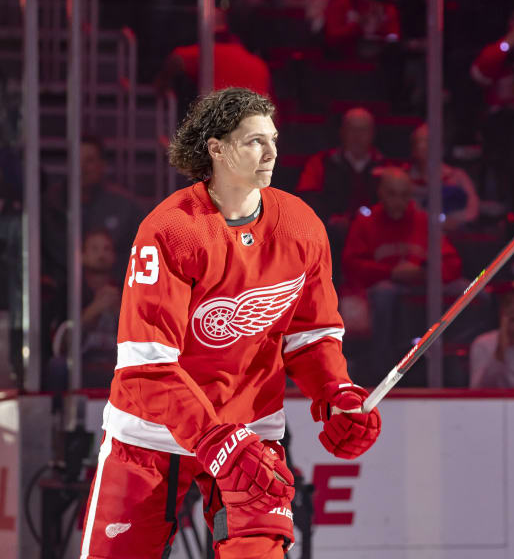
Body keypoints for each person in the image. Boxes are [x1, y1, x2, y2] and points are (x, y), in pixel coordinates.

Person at [79, 88, 381, 559]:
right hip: (151, 434)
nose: (271, 152)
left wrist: (336, 392)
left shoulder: (301, 226)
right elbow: (146, 369)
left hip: (249, 430)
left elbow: (311, 335)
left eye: (274, 139)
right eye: (254, 141)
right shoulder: (170, 230)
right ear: (216, 149)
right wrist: (216, 440)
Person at [342, 168, 463, 383]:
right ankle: (382, 370)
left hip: (422, 286)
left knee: (470, 291)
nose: (398, 201)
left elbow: (452, 264)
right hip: (382, 292)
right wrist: (391, 273)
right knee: (384, 293)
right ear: (381, 193)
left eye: (404, 195)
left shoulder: (423, 221)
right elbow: (352, 267)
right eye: (392, 194)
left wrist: (425, 273)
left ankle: (453, 363)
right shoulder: (366, 223)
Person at [295, 107, 385, 280]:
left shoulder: (384, 167)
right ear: (342, 132)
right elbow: (307, 199)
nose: (358, 136)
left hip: (372, 234)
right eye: (352, 129)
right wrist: (330, 218)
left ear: (372, 134)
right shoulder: (320, 163)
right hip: (332, 233)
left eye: (363, 130)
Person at [42, 135, 144, 283]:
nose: (82, 167)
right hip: (59, 295)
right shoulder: (49, 204)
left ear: (102, 165)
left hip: (116, 293)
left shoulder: (126, 206)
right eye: (76, 160)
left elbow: (143, 254)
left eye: (89, 160)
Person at [406, 124, 485, 230]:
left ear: (440, 147)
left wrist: (454, 220)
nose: (424, 147)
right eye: (419, 142)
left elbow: (473, 209)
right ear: (413, 149)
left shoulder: (457, 177)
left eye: (429, 142)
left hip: (453, 237)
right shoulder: (404, 180)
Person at [80, 229, 122, 388]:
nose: (102, 255)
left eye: (107, 249)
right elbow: (60, 346)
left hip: (117, 362)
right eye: (95, 249)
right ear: (82, 255)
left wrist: (120, 313)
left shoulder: (128, 289)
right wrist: (94, 310)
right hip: (81, 365)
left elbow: (143, 342)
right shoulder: (71, 292)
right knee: (58, 367)